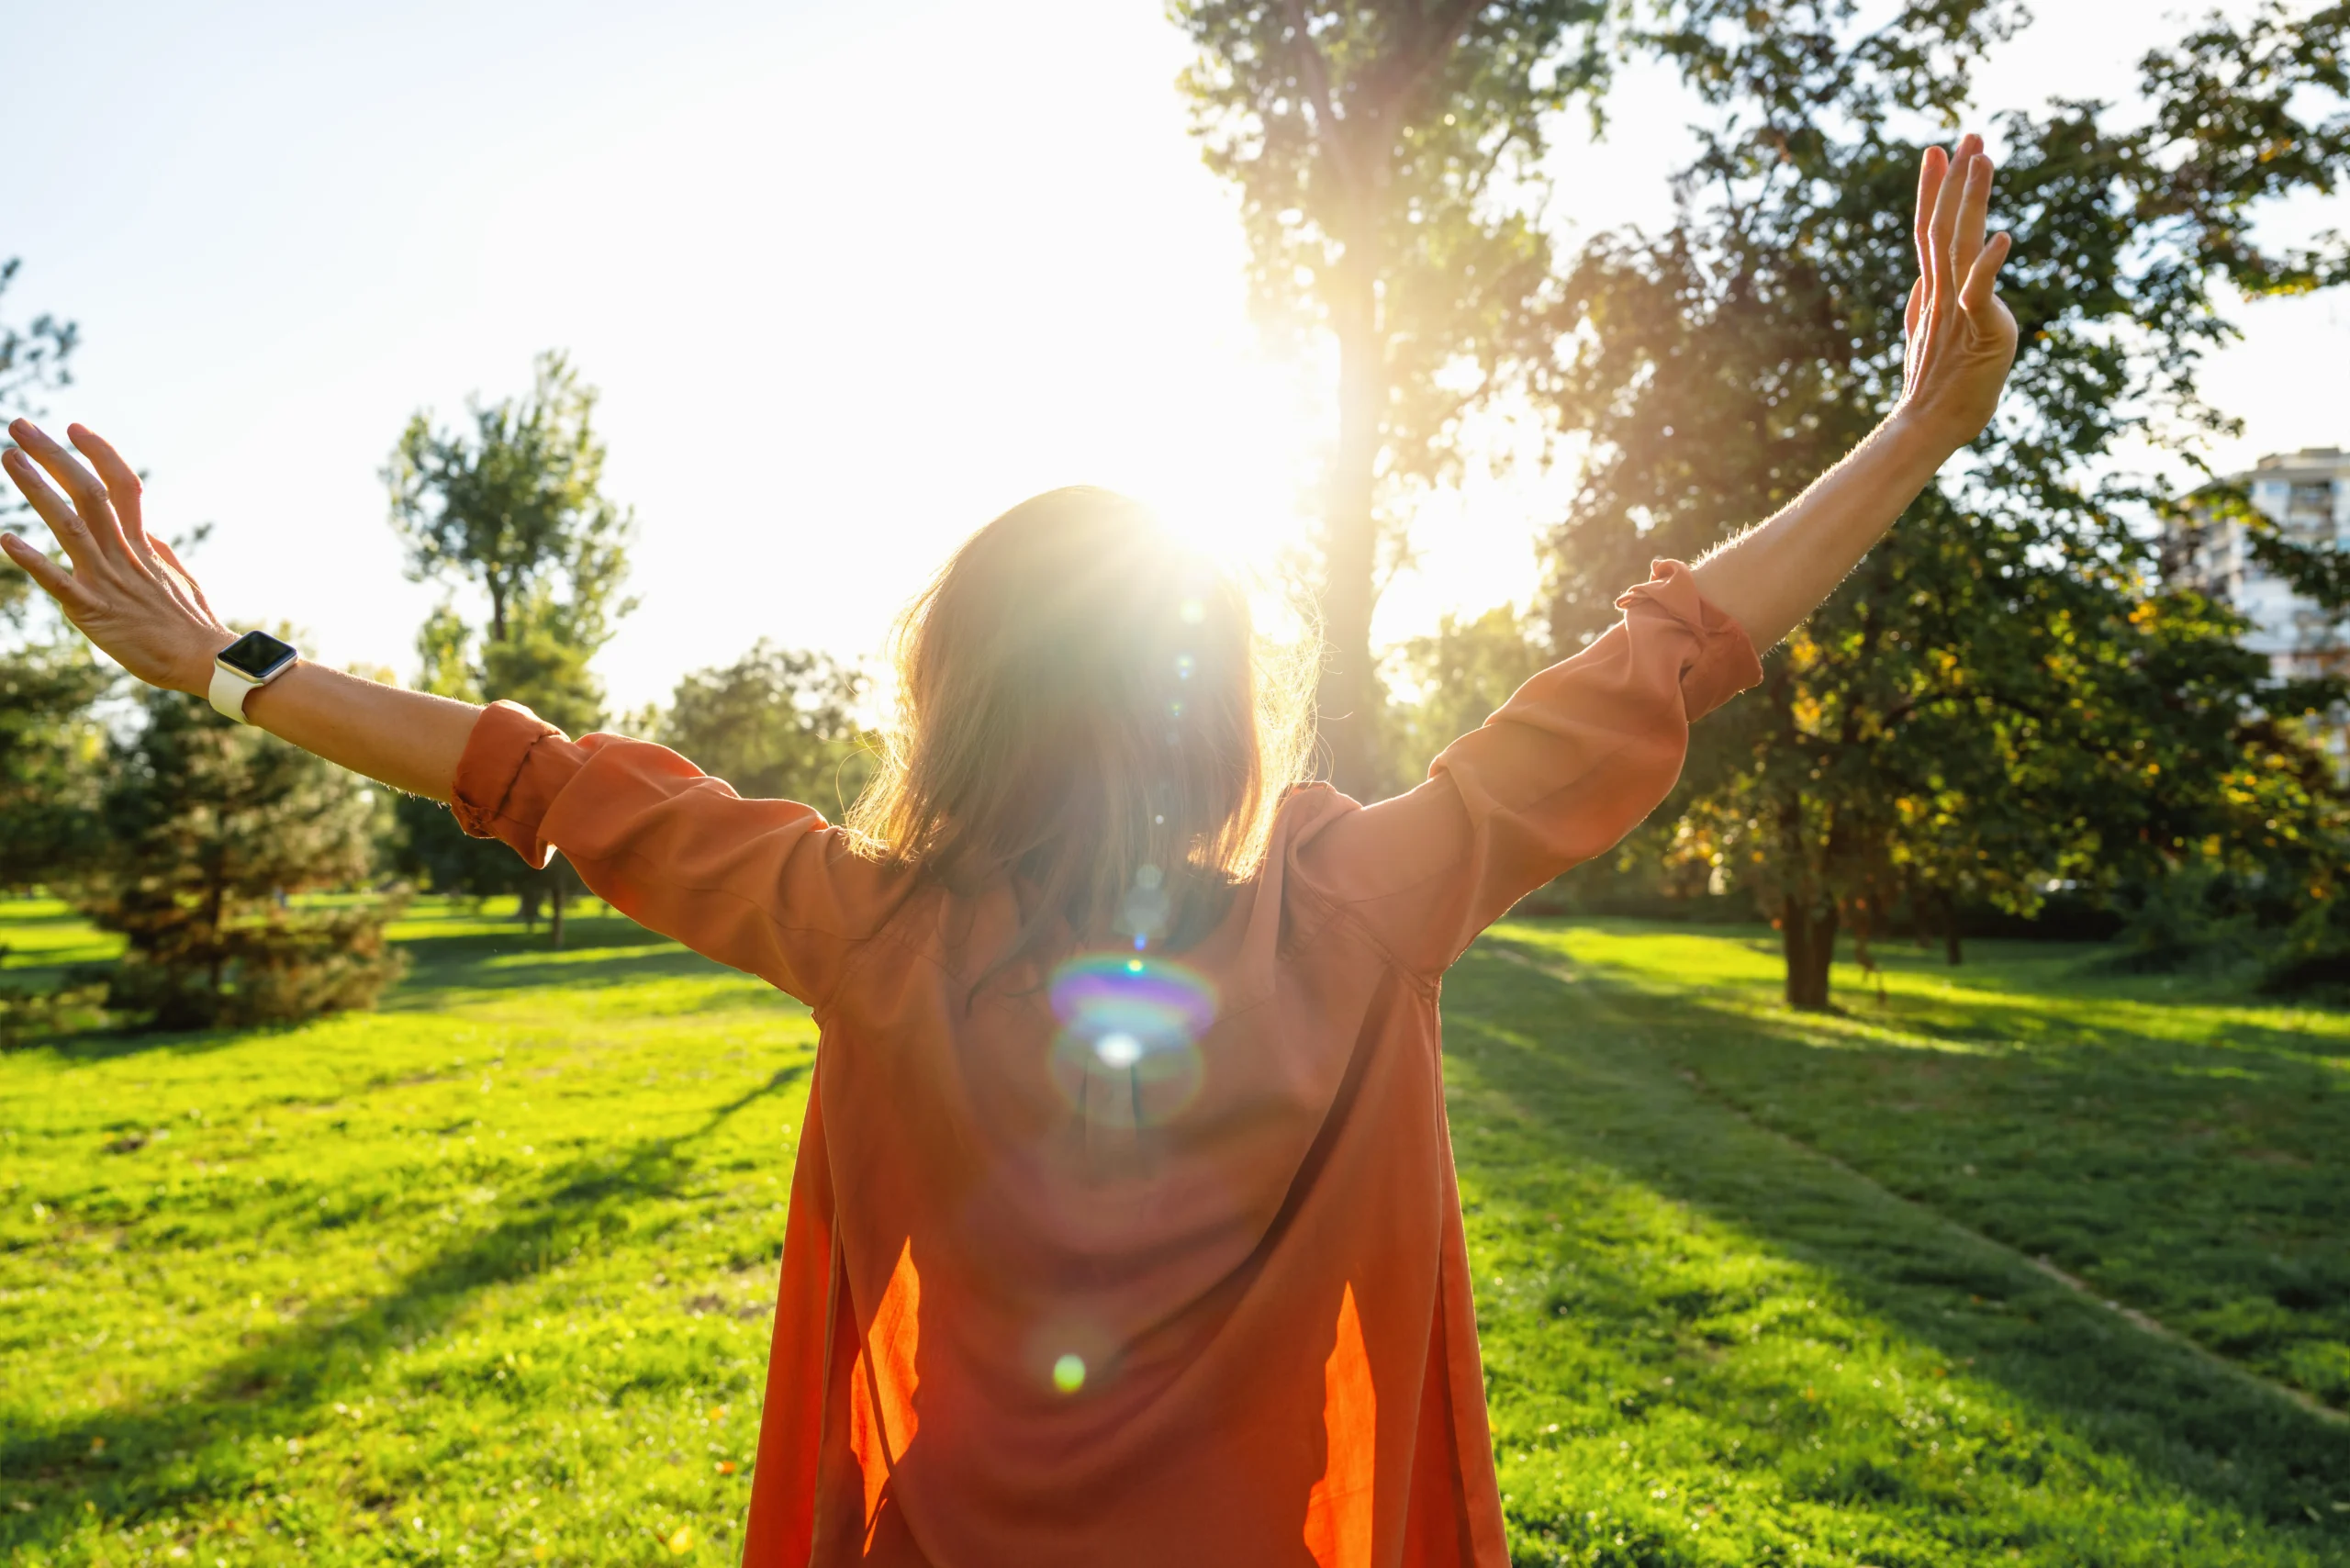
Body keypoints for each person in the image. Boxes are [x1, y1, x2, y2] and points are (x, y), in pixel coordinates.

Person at [0, 139, 2016, 1567]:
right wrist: (1912, 430)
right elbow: (1662, 656)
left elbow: (526, 773)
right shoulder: (1364, 901)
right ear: (1221, 701)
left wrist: (225, 654)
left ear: (947, 698)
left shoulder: (856, 919)